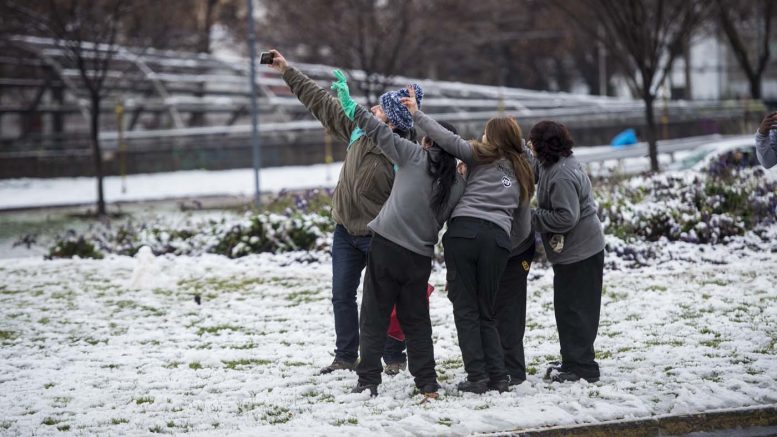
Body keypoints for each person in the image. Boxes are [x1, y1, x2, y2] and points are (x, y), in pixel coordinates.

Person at [266, 50, 407, 374]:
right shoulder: (356, 131)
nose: (372, 108)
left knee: (384, 298)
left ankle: (393, 356)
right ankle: (345, 356)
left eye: (381, 108)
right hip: (345, 231)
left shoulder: (400, 149)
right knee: (342, 295)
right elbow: (320, 102)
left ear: (393, 119)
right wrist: (286, 70)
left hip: (378, 235)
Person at [331, 76, 465, 397]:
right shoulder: (458, 183)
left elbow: (375, 129)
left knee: (374, 315)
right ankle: (428, 385)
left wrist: (350, 105)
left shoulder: (412, 156)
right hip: (419, 257)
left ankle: (367, 382)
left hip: (387, 247)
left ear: (430, 141)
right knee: (417, 322)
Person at [401, 92, 535, 394]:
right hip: (499, 240)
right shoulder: (524, 172)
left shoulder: (479, 153)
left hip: (464, 233)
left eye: (488, 131)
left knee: (465, 309)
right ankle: (499, 376)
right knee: (487, 311)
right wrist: (505, 247)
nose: (483, 134)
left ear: (495, 137)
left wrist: (417, 115)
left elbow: (446, 139)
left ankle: (477, 377)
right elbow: (523, 224)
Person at [528, 120, 605, 384]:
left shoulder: (561, 175)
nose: (530, 146)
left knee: (576, 310)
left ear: (543, 145)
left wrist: (531, 218)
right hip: (574, 251)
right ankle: (573, 360)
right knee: (568, 307)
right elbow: (533, 165)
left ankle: (583, 367)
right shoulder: (553, 163)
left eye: (532, 142)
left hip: (581, 251)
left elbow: (566, 217)